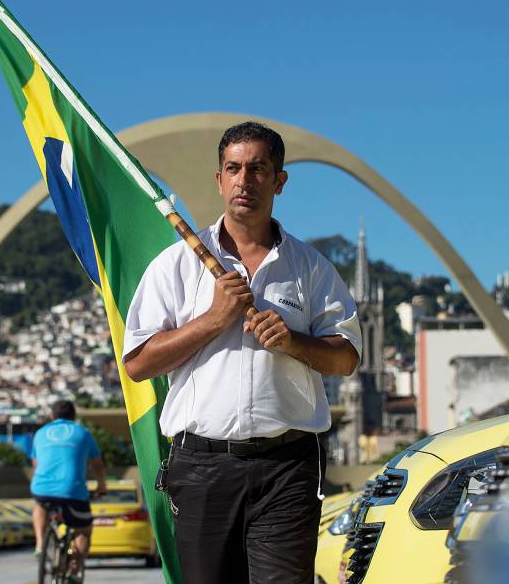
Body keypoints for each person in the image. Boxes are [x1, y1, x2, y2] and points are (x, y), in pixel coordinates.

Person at [122, 122, 362, 583]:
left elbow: (346, 358)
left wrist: (293, 341)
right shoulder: (176, 265)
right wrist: (215, 318)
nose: (243, 180)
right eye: (233, 168)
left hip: (287, 467)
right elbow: (138, 364)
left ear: (279, 181)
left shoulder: (311, 268)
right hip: (201, 466)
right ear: (219, 179)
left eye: (257, 169)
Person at [30, 400, 107, 575]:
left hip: (42, 488)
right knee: (84, 531)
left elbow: (36, 463)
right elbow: (98, 465)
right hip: (73, 491)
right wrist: (102, 487)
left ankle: (40, 544)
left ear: (52, 416)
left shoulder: (40, 433)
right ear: (74, 416)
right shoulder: (83, 433)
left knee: (39, 505)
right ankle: (73, 569)